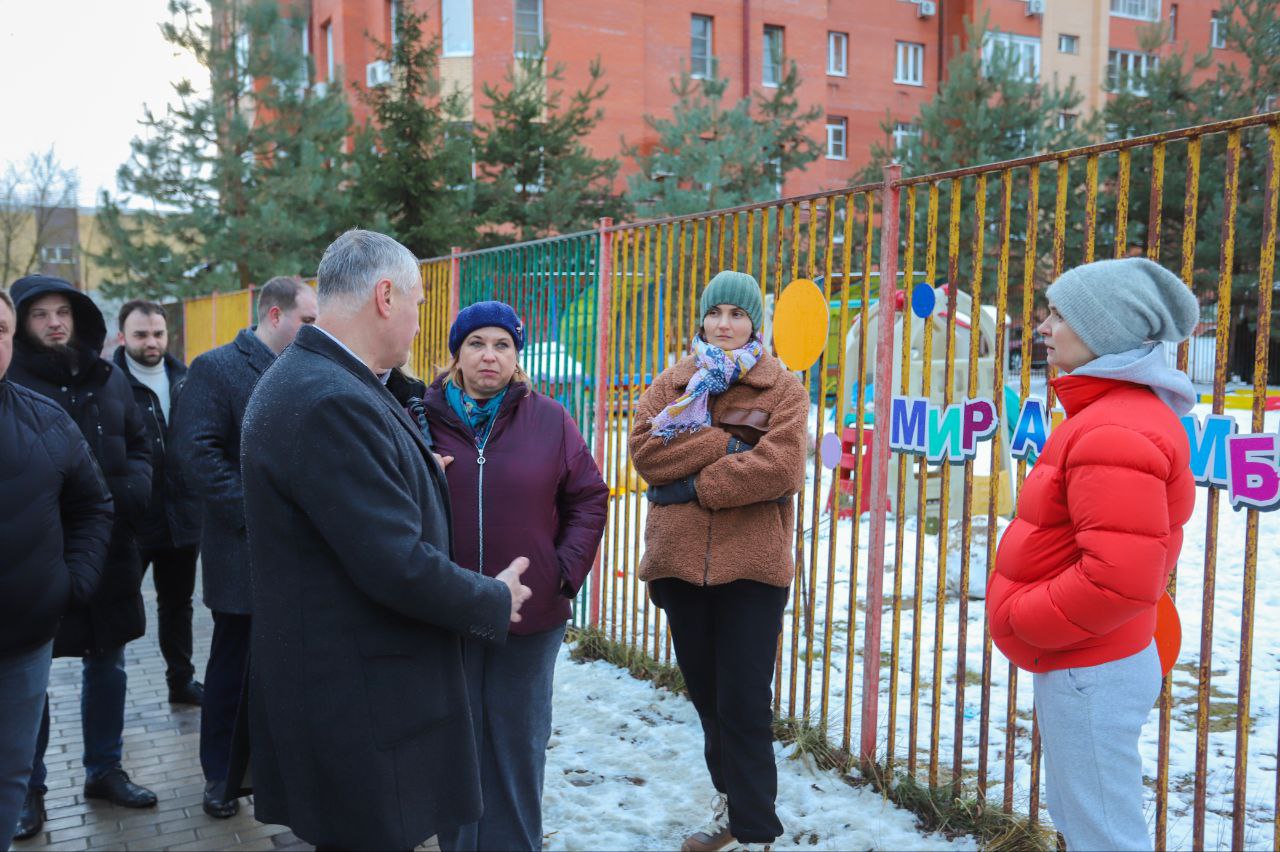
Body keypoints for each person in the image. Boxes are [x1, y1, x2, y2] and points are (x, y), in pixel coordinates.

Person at [240, 229, 533, 851]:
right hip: (357, 700)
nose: (419, 319)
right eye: (419, 302)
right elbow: (394, 562)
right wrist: (491, 597)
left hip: (342, 686)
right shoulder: (329, 399)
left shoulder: (323, 379)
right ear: (384, 296)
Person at [988, 257, 1199, 851]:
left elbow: (1119, 580)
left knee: (1102, 832)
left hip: (1088, 663)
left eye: (1060, 314)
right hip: (1094, 656)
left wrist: (1020, 616)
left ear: (1103, 330)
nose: (1043, 327)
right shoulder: (1110, 415)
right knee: (1086, 818)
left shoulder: (1115, 429)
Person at [404, 301, 608, 852]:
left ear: (518, 356)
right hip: (449, 613)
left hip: (531, 618)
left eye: (502, 345)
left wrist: (561, 575)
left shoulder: (550, 419)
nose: (489, 356)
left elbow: (589, 497)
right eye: (476, 344)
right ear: (456, 354)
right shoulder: (417, 420)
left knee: (518, 745)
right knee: (457, 747)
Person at [630, 270, 808, 852]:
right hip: (680, 566)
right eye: (715, 313)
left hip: (752, 570)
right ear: (702, 320)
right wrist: (727, 445)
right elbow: (644, 452)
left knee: (745, 701)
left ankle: (757, 829)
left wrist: (696, 483)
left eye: (737, 314)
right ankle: (732, 808)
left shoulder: (781, 388)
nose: (725, 324)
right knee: (707, 697)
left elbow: (781, 469)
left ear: (755, 321)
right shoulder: (676, 382)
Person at [6, 275, 156, 838]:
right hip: (40, 556)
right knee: (30, 682)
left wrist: (134, 490)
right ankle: (29, 790)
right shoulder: (13, 382)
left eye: (62, 311)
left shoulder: (108, 377)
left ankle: (105, 769)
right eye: (40, 313)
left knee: (109, 665)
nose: (54, 323)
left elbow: (138, 442)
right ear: (22, 323)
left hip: (111, 549)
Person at [169, 275, 317, 819]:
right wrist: (260, 516)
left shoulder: (305, 370)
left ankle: (276, 773)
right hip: (242, 553)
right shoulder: (216, 368)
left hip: (300, 556)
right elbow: (196, 456)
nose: (315, 331)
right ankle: (221, 776)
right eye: (308, 321)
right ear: (274, 316)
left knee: (287, 673)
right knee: (233, 670)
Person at [0, 288, 114, 849]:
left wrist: (72, 581)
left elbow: (92, 502)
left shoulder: (44, 419)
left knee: (10, 775)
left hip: (24, 640)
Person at [112, 300, 203, 707]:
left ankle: (181, 682)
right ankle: (110, 691)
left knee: (178, 605)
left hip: (180, 516)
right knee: (115, 607)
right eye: (141, 334)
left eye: (158, 334)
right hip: (130, 523)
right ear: (122, 337)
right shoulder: (108, 384)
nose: (152, 342)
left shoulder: (184, 378)